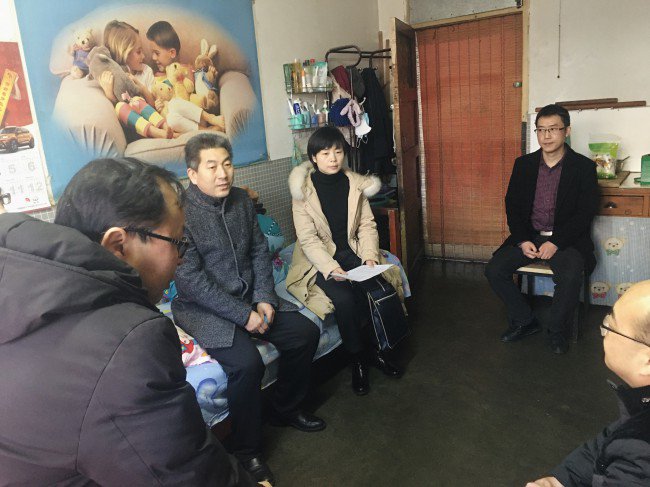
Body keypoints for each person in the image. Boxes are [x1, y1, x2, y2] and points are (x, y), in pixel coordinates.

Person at [0, 158, 258, 485]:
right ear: (118, 245)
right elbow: (190, 475)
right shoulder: (128, 343)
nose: (181, 259)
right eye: (178, 243)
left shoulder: (18, 272)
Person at [172, 133, 325, 485]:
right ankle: (247, 451)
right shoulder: (180, 215)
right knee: (246, 364)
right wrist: (244, 316)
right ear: (193, 174)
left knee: (304, 333)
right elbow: (192, 282)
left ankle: (286, 408)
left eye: (227, 164)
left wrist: (265, 297)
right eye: (212, 166)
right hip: (203, 309)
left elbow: (258, 250)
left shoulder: (241, 200)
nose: (223, 173)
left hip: (250, 298)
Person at [286, 126, 405, 396]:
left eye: (338, 151)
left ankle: (378, 351)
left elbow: (367, 225)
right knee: (345, 299)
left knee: (378, 289)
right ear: (314, 157)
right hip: (320, 260)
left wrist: (370, 256)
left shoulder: (355, 184)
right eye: (325, 153)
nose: (333, 158)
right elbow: (308, 239)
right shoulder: (302, 191)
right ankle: (357, 360)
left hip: (353, 252)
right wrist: (331, 268)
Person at [484, 104, 598, 354]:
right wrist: (523, 240)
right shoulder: (524, 164)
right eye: (541, 130)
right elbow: (512, 206)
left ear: (567, 131)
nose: (546, 136)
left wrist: (556, 242)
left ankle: (556, 331)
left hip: (566, 240)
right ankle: (525, 320)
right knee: (494, 270)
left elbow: (585, 213)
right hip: (530, 236)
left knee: (569, 277)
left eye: (553, 129)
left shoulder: (583, 167)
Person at [526, 280, 650, 487]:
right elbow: (608, 442)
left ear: (647, 361)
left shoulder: (641, 451)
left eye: (611, 324)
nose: (604, 329)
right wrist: (561, 480)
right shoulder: (640, 408)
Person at [145, 20, 224, 133]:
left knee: (174, 103)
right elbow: (158, 103)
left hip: (196, 116)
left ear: (172, 53)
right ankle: (206, 131)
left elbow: (200, 89)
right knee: (171, 119)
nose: (153, 58)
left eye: (157, 53)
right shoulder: (156, 79)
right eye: (152, 53)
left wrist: (210, 77)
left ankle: (211, 119)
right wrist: (157, 106)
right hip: (179, 124)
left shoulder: (186, 70)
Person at [100, 20, 172, 139]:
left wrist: (142, 88)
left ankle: (165, 129)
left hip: (153, 118)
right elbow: (115, 110)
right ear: (124, 53)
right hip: (135, 129)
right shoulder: (116, 76)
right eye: (138, 52)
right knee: (121, 106)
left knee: (137, 101)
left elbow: (152, 105)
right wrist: (108, 93)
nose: (144, 56)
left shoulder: (146, 71)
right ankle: (156, 132)